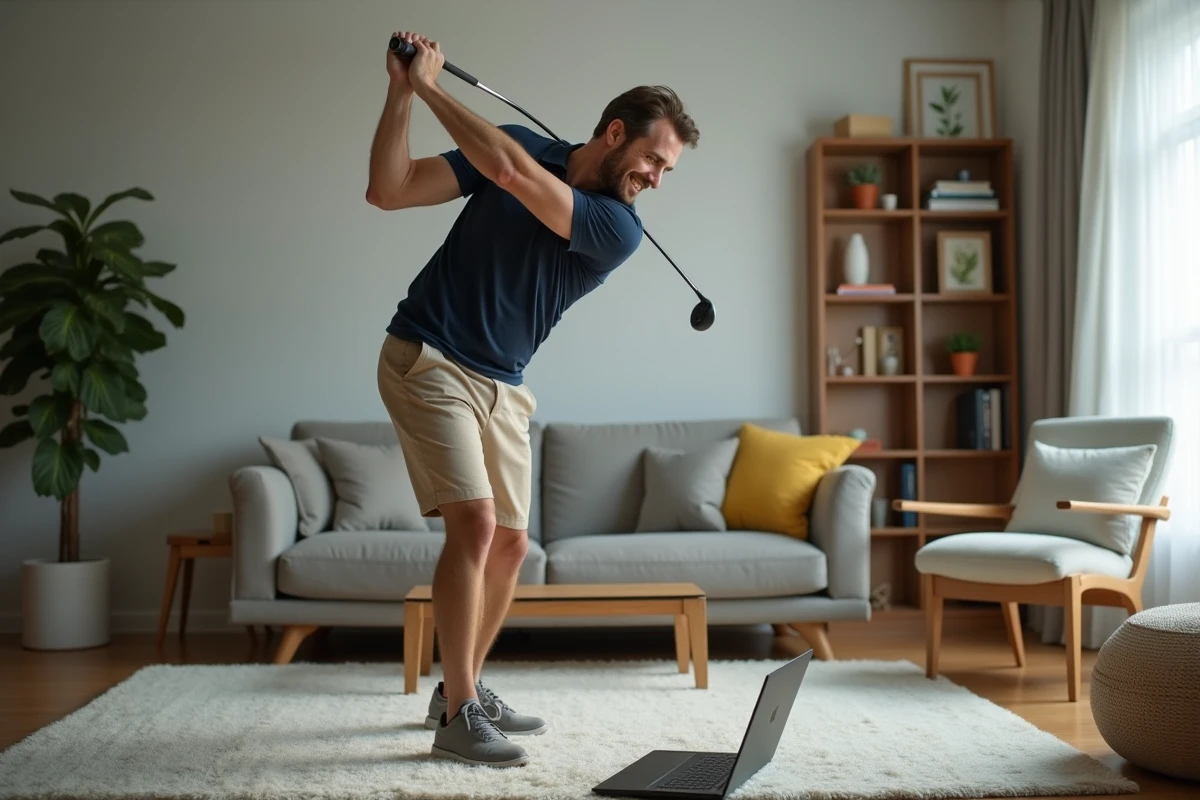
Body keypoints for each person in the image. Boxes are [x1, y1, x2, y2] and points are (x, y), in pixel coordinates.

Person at [366, 30, 699, 768]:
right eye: (652, 159)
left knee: (513, 540)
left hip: (503, 384)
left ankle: (464, 689)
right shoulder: (515, 147)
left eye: (667, 169)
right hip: (428, 358)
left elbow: (511, 172)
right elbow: (388, 191)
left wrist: (430, 86)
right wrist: (400, 93)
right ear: (614, 133)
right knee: (477, 525)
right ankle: (458, 713)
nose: (656, 178)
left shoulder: (618, 228)